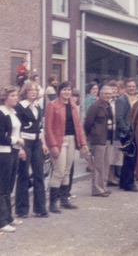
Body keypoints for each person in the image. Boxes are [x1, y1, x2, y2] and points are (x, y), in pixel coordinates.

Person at [45, 81, 89, 213]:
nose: (67, 92)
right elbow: (48, 127)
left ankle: (64, 200)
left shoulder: (73, 106)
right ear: (59, 91)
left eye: (69, 90)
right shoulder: (52, 105)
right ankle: (53, 203)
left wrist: (83, 143)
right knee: (59, 171)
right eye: (64, 89)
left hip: (71, 140)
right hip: (59, 140)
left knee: (67, 171)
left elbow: (78, 127)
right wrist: (52, 145)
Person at [0, 86, 26, 232]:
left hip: (12, 153)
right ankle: (0, 222)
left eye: (16, 95)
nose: (15, 98)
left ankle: (8, 218)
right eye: (12, 96)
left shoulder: (13, 112)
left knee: (9, 187)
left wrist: (18, 146)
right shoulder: (0, 114)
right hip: (2, 154)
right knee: (2, 187)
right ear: (4, 98)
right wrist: (16, 139)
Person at [15, 82, 49, 218]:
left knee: (39, 174)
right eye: (30, 90)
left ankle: (40, 208)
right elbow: (15, 128)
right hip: (25, 142)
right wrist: (19, 148)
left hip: (37, 143)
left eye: (35, 90)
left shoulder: (38, 106)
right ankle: (21, 210)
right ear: (25, 92)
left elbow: (40, 127)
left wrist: (44, 144)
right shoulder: (19, 107)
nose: (33, 92)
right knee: (23, 174)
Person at [84, 86, 114, 197]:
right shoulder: (95, 106)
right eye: (106, 94)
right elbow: (87, 123)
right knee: (99, 166)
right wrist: (90, 135)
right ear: (100, 94)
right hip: (98, 139)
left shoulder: (108, 105)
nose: (108, 96)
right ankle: (97, 189)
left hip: (108, 138)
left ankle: (103, 186)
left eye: (110, 94)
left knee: (106, 164)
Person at [116, 78, 138, 192]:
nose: (131, 88)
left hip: (135, 132)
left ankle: (123, 182)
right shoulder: (122, 100)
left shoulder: (136, 99)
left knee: (130, 158)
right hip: (127, 133)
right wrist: (126, 131)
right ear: (125, 87)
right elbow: (119, 117)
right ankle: (129, 183)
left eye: (133, 86)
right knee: (130, 158)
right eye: (129, 86)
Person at [106, 80, 123, 186]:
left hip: (116, 132)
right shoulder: (107, 102)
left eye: (115, 89)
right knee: (108, 156)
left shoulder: (118, 101)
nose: (114, 91)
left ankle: (111, 177)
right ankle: (108, 177)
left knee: (115, 156)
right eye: (112, 88)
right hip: (108, 132)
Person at [84, 81, 99, 172]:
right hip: (92, 124)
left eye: (97, 89)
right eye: (93, 89)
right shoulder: (89, 99)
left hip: (95, 123)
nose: (95, 90)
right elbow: (88, 112)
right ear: (90, 90)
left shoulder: (95, 98)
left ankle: (90, 164)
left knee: (91, 145)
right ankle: (89, 164)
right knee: (90, 145)